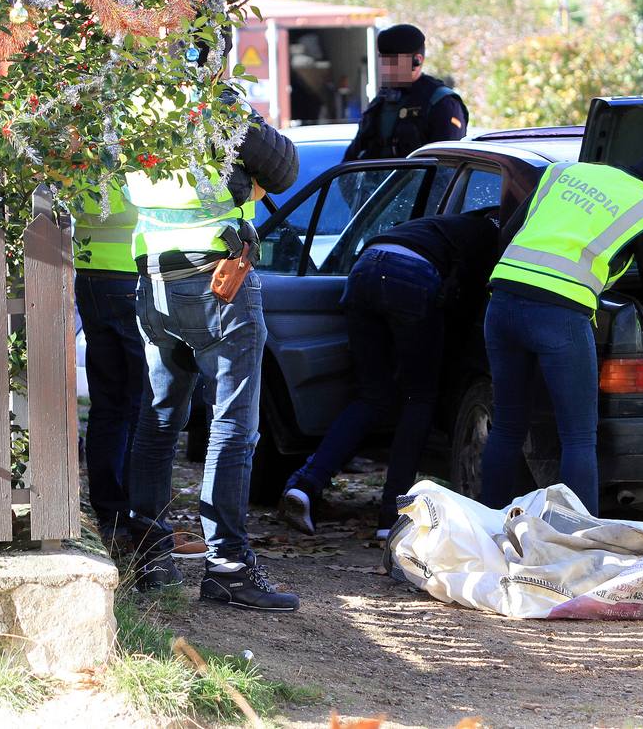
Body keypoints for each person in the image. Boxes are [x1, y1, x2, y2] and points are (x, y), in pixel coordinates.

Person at [123, 33, 302, 612]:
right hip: (220, 280)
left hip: (154, 276)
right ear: (213, 49)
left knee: (158, 422)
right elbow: (283, 170)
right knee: (232, 428)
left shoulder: (131, 101)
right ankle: (227, 566)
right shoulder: (215, 102)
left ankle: (151, 558)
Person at [480, 153, 643, 516]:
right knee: (578, 438)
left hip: (501, 304)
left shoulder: (562, 172)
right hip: (560, 317)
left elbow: (507, 232)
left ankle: (486, 528)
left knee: (507, 426)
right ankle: (579, 537)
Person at [279, 208, 502, 538]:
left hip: (366, 265)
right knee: (420, 398)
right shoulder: (493, 239)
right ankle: (392, 517)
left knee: (372, 397)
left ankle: (306, 484)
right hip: (412, 276)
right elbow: (469, 306)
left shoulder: (445, 225)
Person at [72, 184, 144, 553]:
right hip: (133, 269)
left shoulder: (80, 129)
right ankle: (142, 522)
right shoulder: (144, 128)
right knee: (142, 406)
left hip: (88, 271)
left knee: (108, 403)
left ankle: (111, 521)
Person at [343, 24, 467, 161]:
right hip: (378, 182)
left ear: (417, 60)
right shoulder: (381, 102)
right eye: (385, 61)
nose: (388, 69)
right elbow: (352, 157)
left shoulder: (442, 103)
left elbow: (447, 167)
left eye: (395, 62)